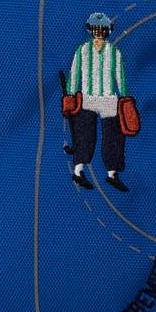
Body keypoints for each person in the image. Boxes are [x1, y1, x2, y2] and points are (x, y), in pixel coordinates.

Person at [63, 12, 133, 191]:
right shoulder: (82, 50)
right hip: (88, 98)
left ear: (107, 31)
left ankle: (112, 173)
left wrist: (124, 96)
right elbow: (74, 73)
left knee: (113, 137)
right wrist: (70, 94)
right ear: (91, 30)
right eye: (96, 29)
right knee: (85, 135)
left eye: (102, 29)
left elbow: (120, 75)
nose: (99, 32)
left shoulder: (114, 52)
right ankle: (78, 171)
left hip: (109, 99)